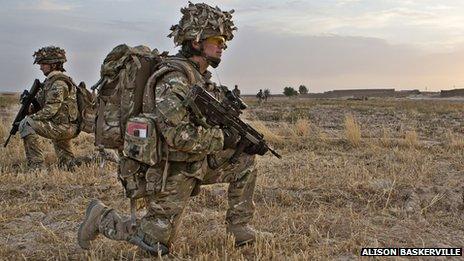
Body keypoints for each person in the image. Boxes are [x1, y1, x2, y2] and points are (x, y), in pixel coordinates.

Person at [78, 2, 270, 255]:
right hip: (169, 169)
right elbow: (177, 136)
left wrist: (240, 140)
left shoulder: (199, 77)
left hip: (193, 162)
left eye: (224, 41)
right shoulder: (174, 79)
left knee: (244, 160)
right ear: (196, 41)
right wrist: (224, 139)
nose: (222, 46)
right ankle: (101, 217)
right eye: (217, 39)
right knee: (155, 242)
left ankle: (240, 229)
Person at [18, 46, 78, 170]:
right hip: (61, 124)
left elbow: (50, 110)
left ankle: (37, 167)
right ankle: (86, 162)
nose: (40, 67)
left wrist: (30, 118)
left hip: (63, 127)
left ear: (54, 65)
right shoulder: (49, 82)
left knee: (26, 124)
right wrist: (28, 105)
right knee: (67, 164)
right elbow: (40, 106)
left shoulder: (58, 83)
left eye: (43, 64)